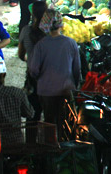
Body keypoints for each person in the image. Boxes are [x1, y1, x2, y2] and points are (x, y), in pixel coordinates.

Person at [29, 9, 80, 138]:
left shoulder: (40, 45)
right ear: (60, 23)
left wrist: (40, 78)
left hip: (46, 91)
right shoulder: (71, 43)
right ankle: (66, 151)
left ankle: (50, 153)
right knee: (67, 124)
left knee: (49, 124)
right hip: (66, 90)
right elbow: (77, 70)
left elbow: (33, 70)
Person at [18, 0, 47, 121]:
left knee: (32, 115)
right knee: (50, 117)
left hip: (32, 78)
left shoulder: (26, 31)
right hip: (49, 78)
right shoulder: (50, 33)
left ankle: (30, 140)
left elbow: (20, 54)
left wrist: (29, 60)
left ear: (32, 14)